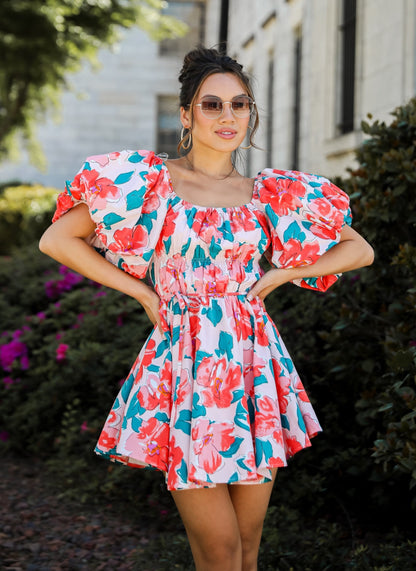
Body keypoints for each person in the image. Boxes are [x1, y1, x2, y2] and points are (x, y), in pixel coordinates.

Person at [39, 47, 374, 571]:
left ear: (251, 114)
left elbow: (360, 249)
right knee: (219, 553)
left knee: (246, 550)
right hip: (185, 367)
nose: (227, 117)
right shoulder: (151, 183)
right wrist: (143, 292)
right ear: (186, 115)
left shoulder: (269, 194)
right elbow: (58, 239)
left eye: (239, 105)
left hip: (254, 369)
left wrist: (285, 272)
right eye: (212, 105)